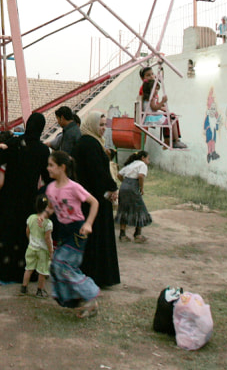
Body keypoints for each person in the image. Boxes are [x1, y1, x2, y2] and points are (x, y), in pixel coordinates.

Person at [0, 112, 50, 285]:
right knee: (24, 236)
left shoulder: (12, 143)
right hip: (28, 199)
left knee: (4, 234)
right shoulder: (43, 150)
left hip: (7, 197)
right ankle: (22, 272)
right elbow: (48, 176)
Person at [46, 151, 100, 317]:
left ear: (62, 168)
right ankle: (77, 300)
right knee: (57, 265)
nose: (48, 168)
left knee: (64, 265)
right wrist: (43, 215)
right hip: (63, 232)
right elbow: (50, 207)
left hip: (77, 231)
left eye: (51, 165)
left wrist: (89, 223)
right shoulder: (50, 188)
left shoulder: (74, 187)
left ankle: (90, 294)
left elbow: (94, 202)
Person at [72, 111, 120, 288]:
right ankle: (98, 275)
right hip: (94, 199)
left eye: (104, 125)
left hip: (88, 197)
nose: (103, 128)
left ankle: (91, 274)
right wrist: (112, 187)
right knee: (98, 239)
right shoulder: (90, 144)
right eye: (100, 125)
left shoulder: (88, 142)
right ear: (92, 125)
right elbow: (97, 172)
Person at [20, 194, 53, 298]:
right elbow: (48, 238)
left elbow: (27, 231)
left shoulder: (31, 218)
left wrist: (30, 240)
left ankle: (24, 287)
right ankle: (40, 290)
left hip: (31, 247)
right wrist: (51, 250)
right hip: (42, 250)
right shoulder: (48, 223)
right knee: (42, 271)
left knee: (29, 268)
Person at [115, 150, 152, 243]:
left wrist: (124, 182)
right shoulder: (142, 165)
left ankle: (122, 235)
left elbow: (119, 174)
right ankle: (137, 234)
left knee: (123, 209)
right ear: (143, 158)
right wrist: (141, 188)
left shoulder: (131, 164)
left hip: (124, 187)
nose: (149, 161)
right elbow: (140, 176)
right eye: (148, 158)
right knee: (140, 210)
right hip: (133, 187)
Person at [142, 80, 186, 148]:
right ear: (148, 89)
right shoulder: (151, 98)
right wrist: (162, 101)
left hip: (150, 116)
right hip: (152, 118)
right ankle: (176, 141)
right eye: (154, 89)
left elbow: (153, 107)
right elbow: (154, 107)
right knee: (172, 120)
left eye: (157, 89)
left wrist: (162, 107)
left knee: (170, 117)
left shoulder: (148, 98)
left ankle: (170, 139)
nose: (156, 91)